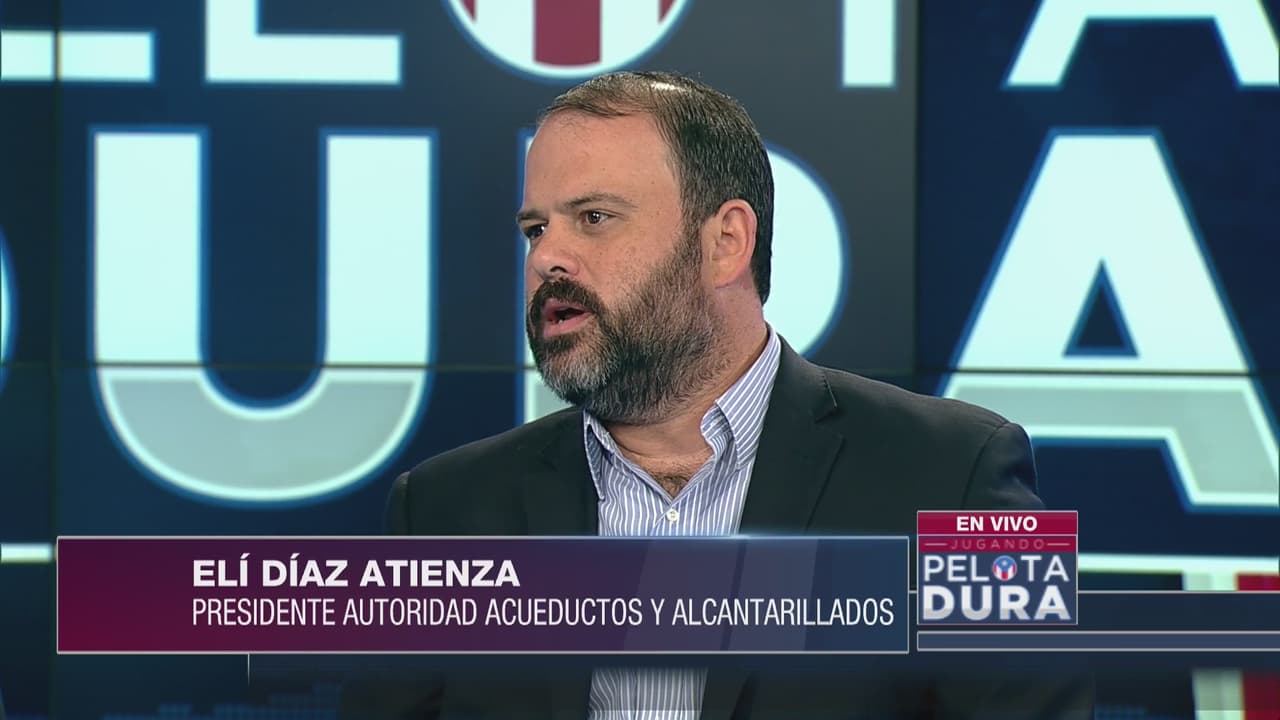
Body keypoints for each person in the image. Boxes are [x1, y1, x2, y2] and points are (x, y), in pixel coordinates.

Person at [341, 71, 1092, 719]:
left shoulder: (960, 473)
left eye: (594, 218)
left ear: (725, 242)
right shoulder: (439, 513)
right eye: (536, 229)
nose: (548, 259)